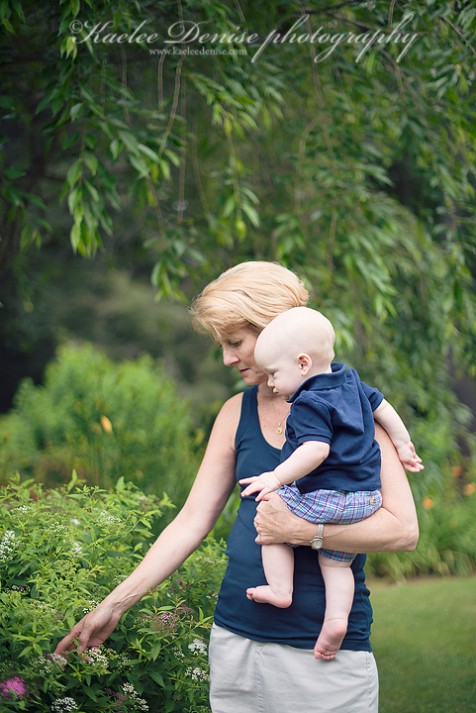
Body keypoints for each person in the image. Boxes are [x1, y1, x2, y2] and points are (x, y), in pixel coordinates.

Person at [55, 261, 419, 713]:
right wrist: (115, 603)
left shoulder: (351, 410)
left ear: (274, 330)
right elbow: (191, 522)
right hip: (236, 640)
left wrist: (305, 532)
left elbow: (403, 530)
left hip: (324, 653)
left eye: (235, 343)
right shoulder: (235, 413)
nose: (227, 358)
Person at [238, 306, 423, 660]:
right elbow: (383, 407)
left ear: (303, 364)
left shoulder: (308, 401)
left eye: (275, 374)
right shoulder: (351, 381)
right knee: (336, 563)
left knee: (271, 511)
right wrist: (402, 443)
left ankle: (280, 588)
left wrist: (275, 478)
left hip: (327, 497)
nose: (272, 383)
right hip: (366, 499)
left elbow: (316, 450)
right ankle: (336, 620)